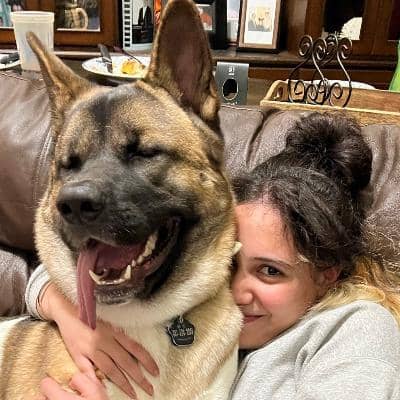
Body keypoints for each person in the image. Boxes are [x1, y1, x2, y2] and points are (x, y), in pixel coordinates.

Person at [26, 113, 400, 398]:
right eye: (231, 261)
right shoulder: (210, 296)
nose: (236, 291)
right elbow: (61, 267)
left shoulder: (359, 327)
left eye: (270, 271)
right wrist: (69, 312)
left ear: (326, 273)